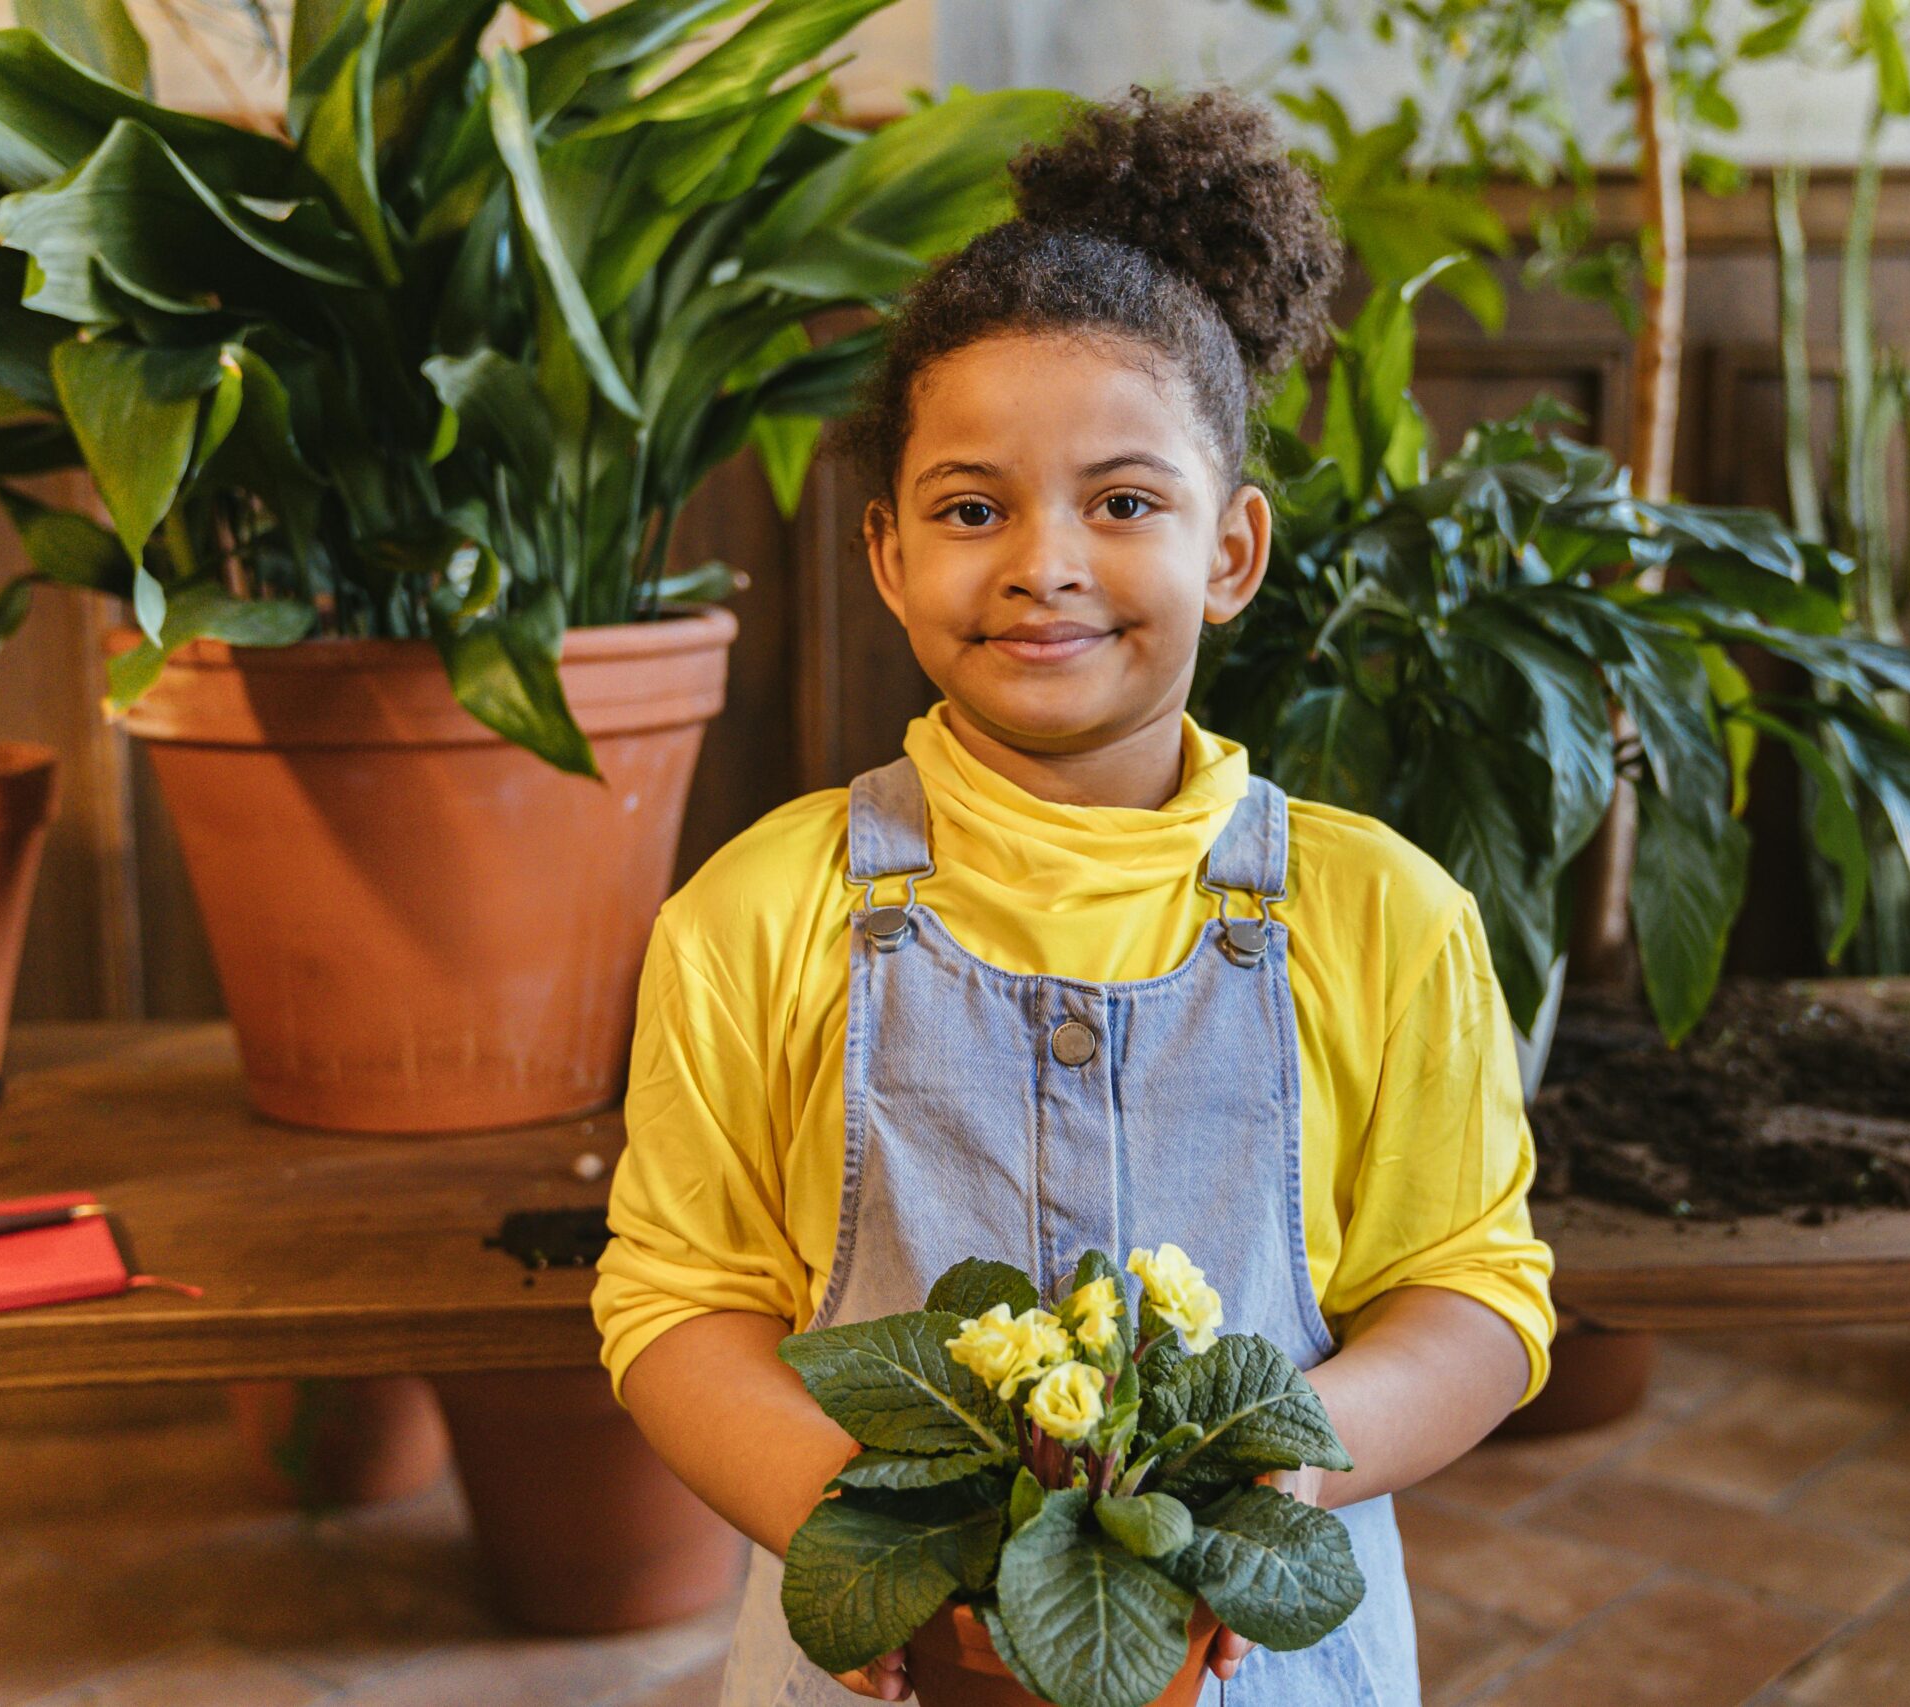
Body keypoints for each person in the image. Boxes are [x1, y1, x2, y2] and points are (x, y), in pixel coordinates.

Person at [593, 85, 1558, 1706]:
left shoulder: (1386, 917)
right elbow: (677, 1304)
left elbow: (1474, 1289)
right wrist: (876, 1556)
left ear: (1233, 552)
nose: (1045, 563)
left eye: (1123, 503)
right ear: (889, 553)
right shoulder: (757, 915)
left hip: (1261, 1662)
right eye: (974, 510)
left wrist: (1275, 1496)